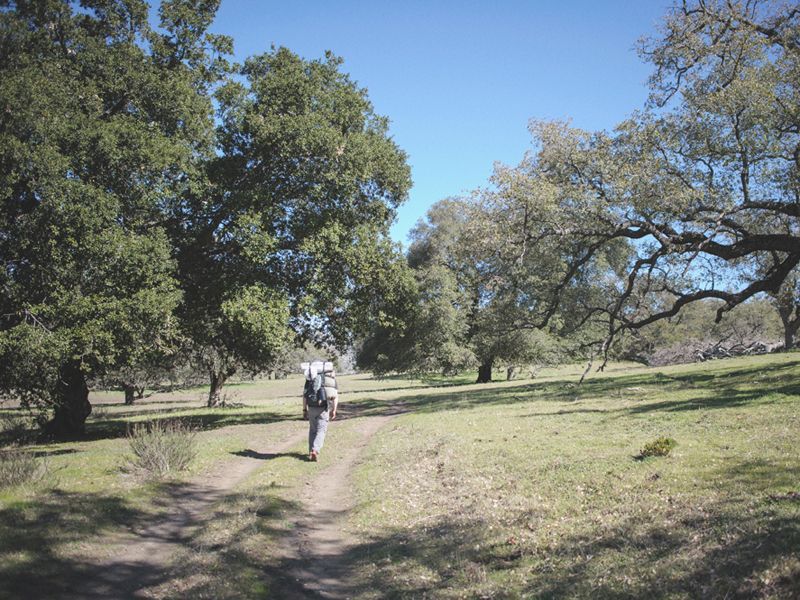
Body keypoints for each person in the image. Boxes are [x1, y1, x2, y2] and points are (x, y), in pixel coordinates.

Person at [302, 360, 339, 461]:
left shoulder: (309, 379)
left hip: (311, 406)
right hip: (323, 407)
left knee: (313, 430)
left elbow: (305, 396)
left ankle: (311, 451)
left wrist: (304, 410)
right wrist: (334, 410)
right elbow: (335, 396)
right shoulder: (330, 380)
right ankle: (315, 450)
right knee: (321, 430)